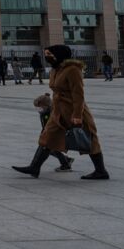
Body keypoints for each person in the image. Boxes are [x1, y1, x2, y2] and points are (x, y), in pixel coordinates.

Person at [12, 44, 110, 180]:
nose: (47, 57)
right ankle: (34, 167)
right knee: (47, 136)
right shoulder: (55, 70)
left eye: (50, 54)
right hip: (58, 112)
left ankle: (101, 171)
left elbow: (78, 95)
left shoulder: (72, 70)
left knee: (89, 140)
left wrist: (77, 115)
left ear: (60, 55)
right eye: (46, 54)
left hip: (74, 110)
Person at [31, 92, 74, 172]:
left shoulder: (51, 113)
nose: (39, 110)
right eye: (37, 108)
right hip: (50, 134)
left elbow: (50, 125)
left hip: (55, 134)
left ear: (47, 106)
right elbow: (44, 126)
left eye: (40, 108)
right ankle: (66, 161)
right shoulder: (44, 113)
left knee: (51, 149)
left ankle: (66, 164)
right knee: (51, 150)